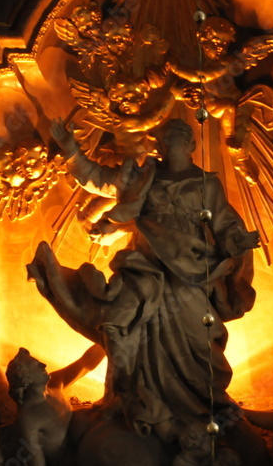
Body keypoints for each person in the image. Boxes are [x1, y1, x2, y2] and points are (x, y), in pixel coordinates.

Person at [27, 117, 260, 436]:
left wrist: (237, 239)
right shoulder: (144, 176)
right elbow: (98, 178)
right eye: (165, 139)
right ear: (158, 146)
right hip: (145, 266)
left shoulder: (207, 184)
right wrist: (71, 150)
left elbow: (224, 223)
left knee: (196, 332)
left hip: (191, 270)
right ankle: (138, 399)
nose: (171, 143)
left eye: (179, 137)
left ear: (192, 145)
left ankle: (198, 402)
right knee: (126, 319)